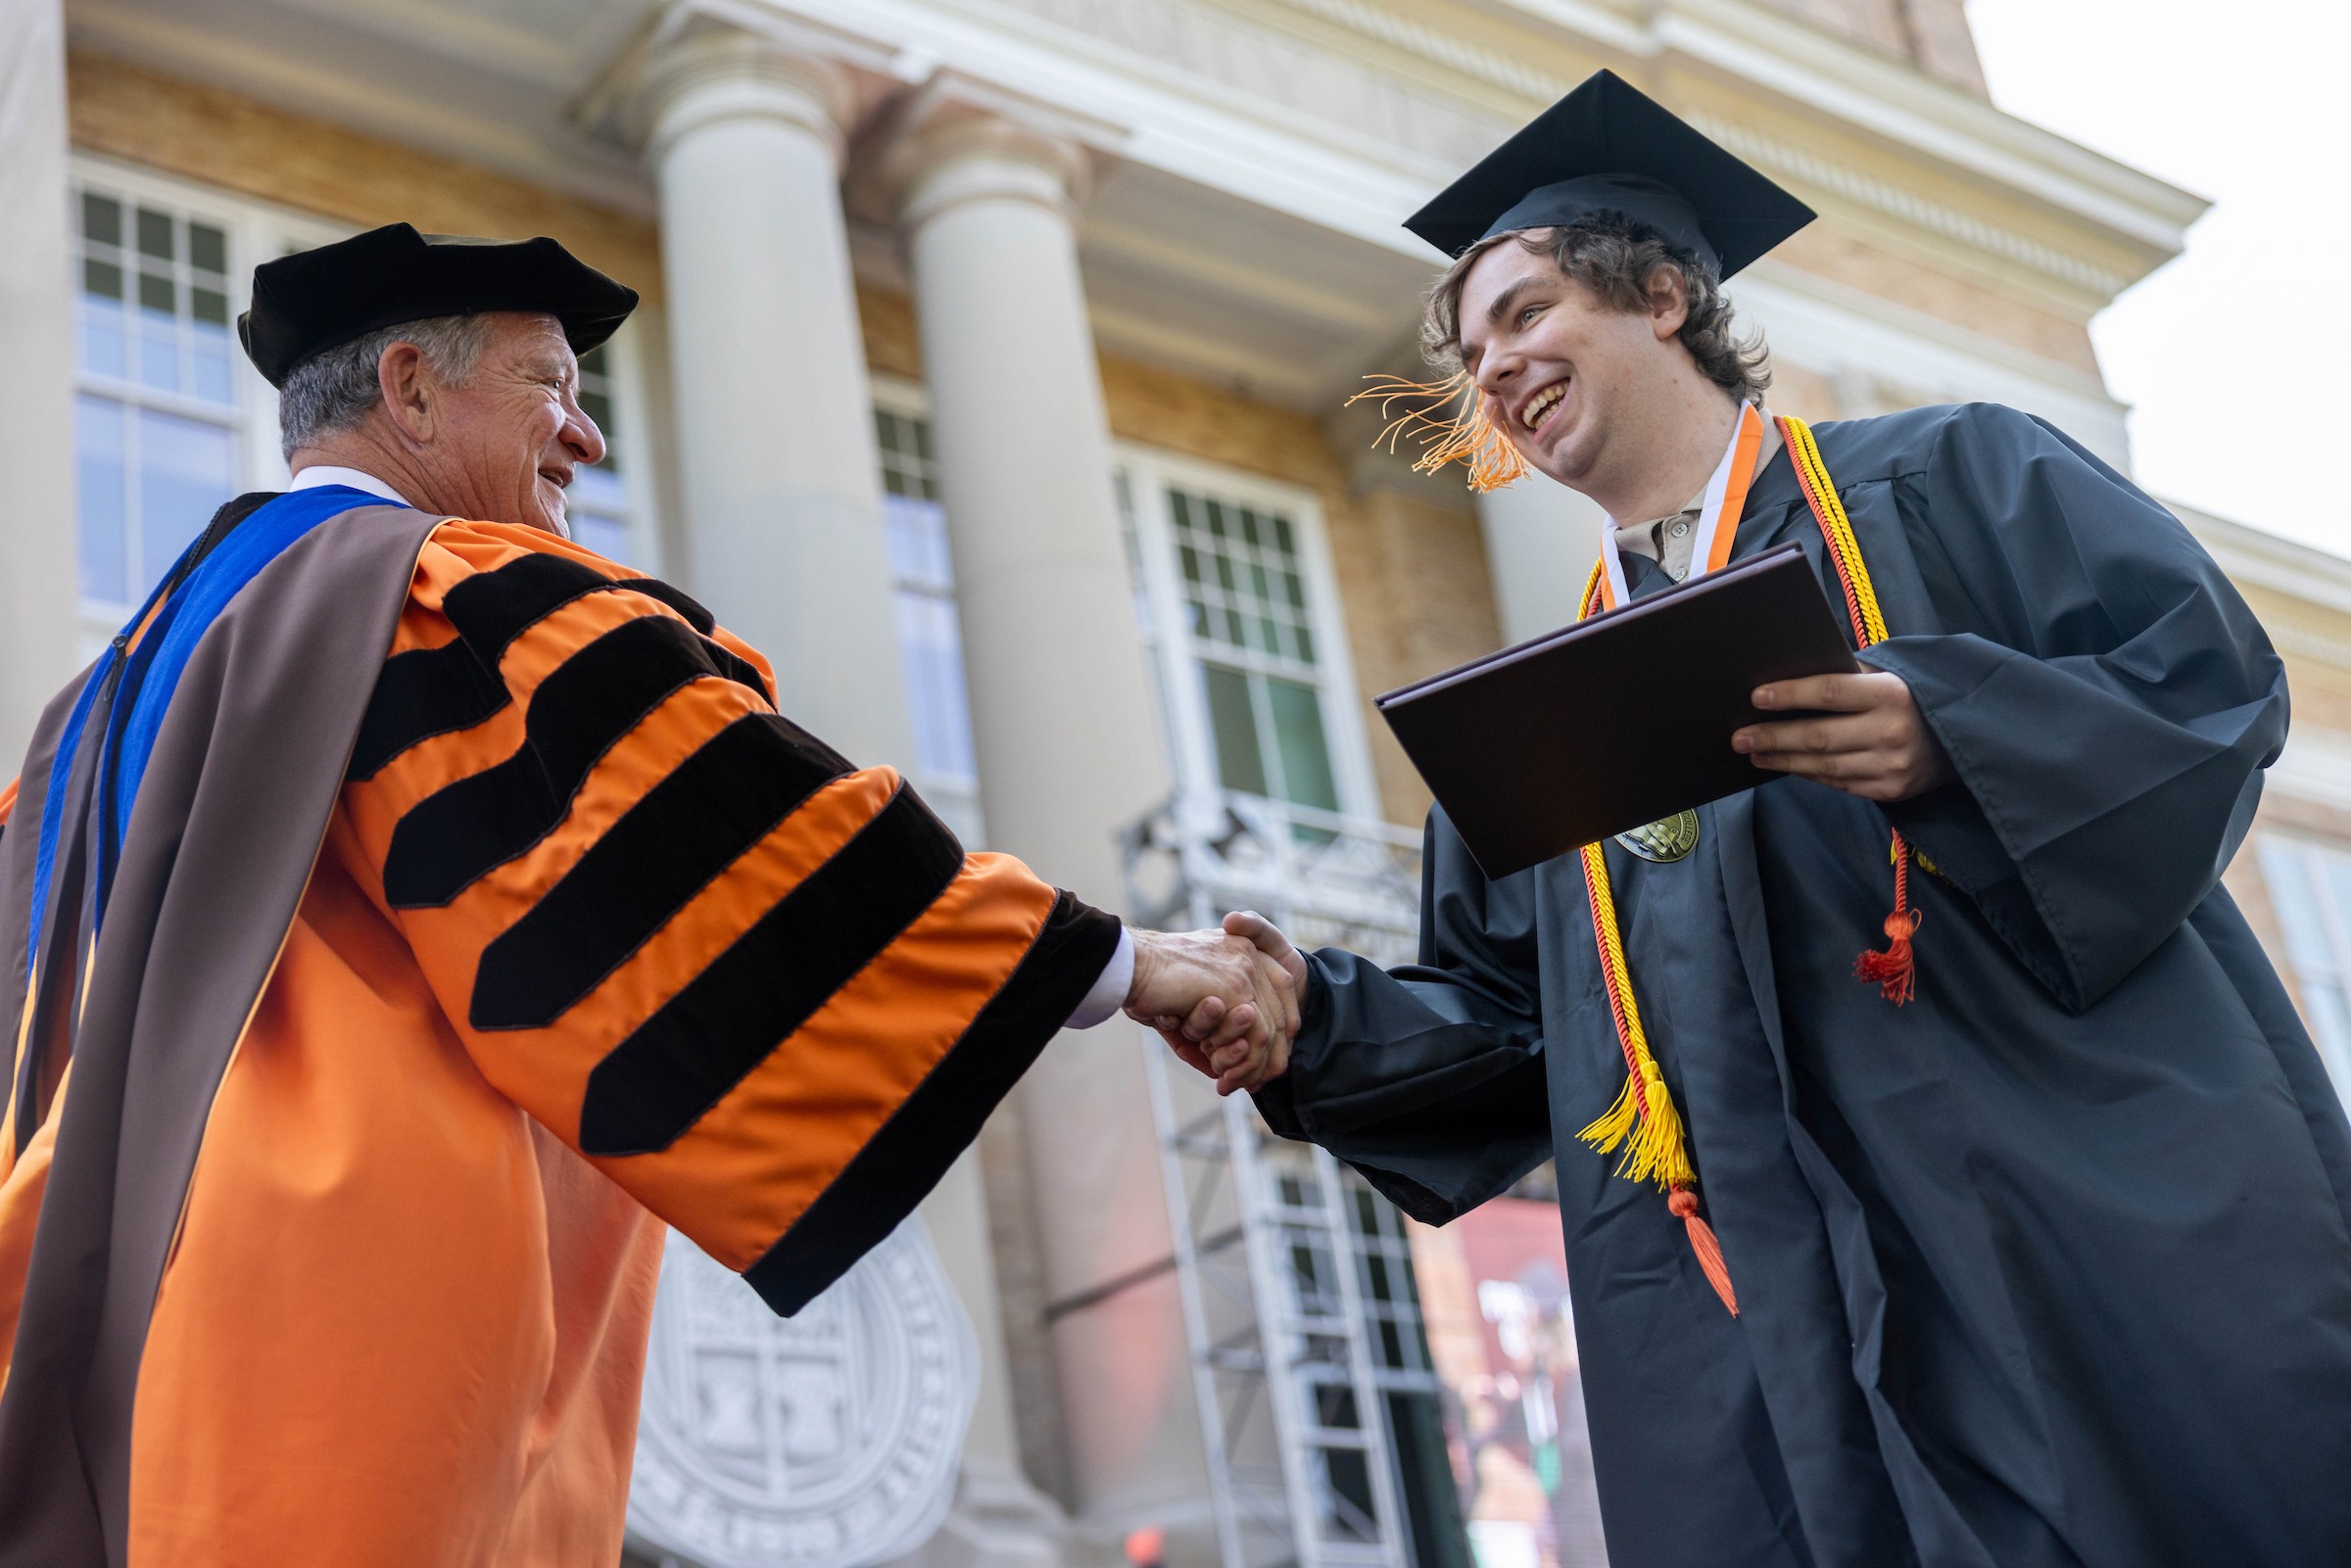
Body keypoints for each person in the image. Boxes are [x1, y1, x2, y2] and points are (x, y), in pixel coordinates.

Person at [1189, 70, 2351, 1568]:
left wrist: (1952, 729)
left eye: (1528, 313)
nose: (1496, 367)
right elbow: (1518, 1027)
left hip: (2050, 1226)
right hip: (1759, 1336)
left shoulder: (1952, 479)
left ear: (1663, 292)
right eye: (1473, 354)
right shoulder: (1546, 714)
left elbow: (2208, 681)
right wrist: (1315, 1022)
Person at [0, 223, 1294, 1565]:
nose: (587, 435)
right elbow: (729, 825)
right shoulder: (432, 592)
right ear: (411, 389)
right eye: (551, 386)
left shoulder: (100, 702)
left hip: (92, 1319)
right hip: (337, 1321)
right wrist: (1119, 960)